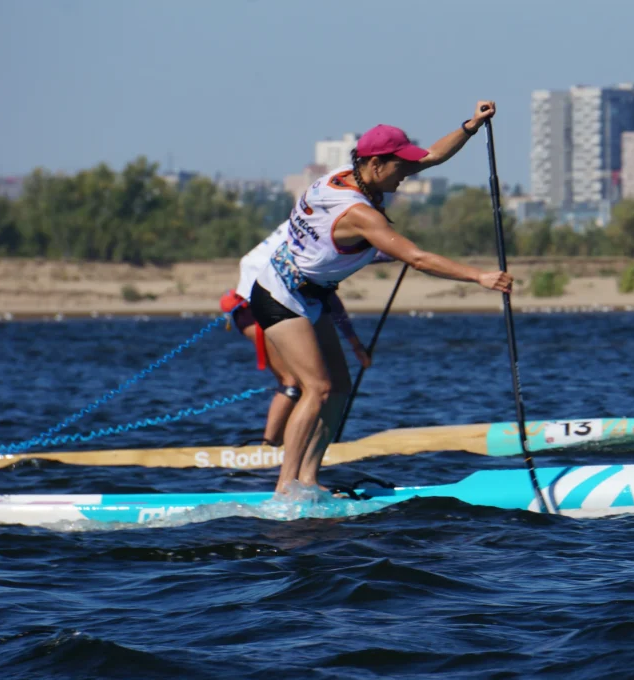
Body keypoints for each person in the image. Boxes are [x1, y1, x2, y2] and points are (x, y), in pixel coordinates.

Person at [249, 100, 512, 493]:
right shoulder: (358, 212)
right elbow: (417, 257)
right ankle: (286, 488)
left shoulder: (348, 174)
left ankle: (309, 479)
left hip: (312, 296)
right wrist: (480, 276)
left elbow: (434, 155)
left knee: (339, 388)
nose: (407, 173)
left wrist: (472, 125)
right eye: (400, 167)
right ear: (376, 164)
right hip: (278, 294)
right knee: (317, 388)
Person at [219, 222, 372, 447]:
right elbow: (331, 300)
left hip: (263, 304)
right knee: (293, 381)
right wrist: (355, 344)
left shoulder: (310, 227)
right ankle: (269, 447)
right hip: (256, 306)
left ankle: (281, 444)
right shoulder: (318, 242)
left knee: (303, 383)